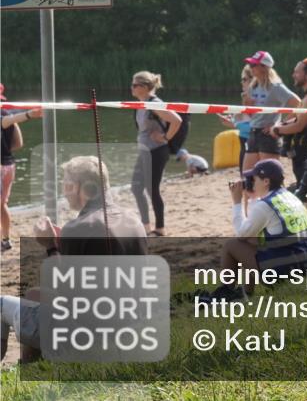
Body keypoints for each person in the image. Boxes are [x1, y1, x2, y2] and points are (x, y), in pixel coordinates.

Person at [0, 156, 147, 361]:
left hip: (91, 337)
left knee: (1, 305)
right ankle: (30, 368)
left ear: (79, 187)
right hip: (130, 326)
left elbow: (65, 294)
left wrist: (51, 246)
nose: (64, 191)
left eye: (66, 184)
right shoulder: (133, 220)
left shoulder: (78, 228)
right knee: (35, 295)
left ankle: (26, 371)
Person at [200, 159, 307, 303]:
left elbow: (241, 234)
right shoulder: (290, 197)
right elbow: (259, 228)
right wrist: (253, 199)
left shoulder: (265, 205)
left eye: (254, 179)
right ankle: (246, 292)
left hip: (288, 274)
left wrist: (237, 202)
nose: (251, 182)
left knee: (232, 245)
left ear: (265, 181)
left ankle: (227, 291)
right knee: (253, 241)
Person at [270, 58, 307, 228]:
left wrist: (277, 130)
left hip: (306, 150)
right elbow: (297, 118)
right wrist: (280, 125)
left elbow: (299, 125)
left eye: (297, 71)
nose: (293, 75)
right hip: (306, 149)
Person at [130, 72, 182, 236]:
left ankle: (159, 229)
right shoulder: (141, 103)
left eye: (134, 85)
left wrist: (165, 137)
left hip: (157, 151)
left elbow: (177, 120)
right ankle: (145, 227)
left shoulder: (154, 103)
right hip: (145, 151)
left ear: (145, 87)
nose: (131, 88)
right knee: (136, 187)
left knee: (152, 189)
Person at [1, 86, 42, 251]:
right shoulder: (8, 113)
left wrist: (27, 115)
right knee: (2, 204)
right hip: (8, 165)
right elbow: (18, 144)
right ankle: (5, 239)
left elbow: (3, 123)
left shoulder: (7, 116)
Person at [243, 51, 300, 168]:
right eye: (250, 64)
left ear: (264, 67)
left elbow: (299, 104)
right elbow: (250, 116)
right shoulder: (252, 86)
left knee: (270, 178)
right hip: (253, 133)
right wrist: (247, 105)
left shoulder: (276, 87)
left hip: (268, 136)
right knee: (247, 177)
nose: (251, 67)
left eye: (254, 65)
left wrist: (280, 125)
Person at [218, 66, 254, 173]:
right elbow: (244, 122)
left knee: (248, 178)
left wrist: (235, 123)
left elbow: (257, 126)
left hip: (253, 145)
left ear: (253, 80)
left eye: (244, 79)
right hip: (244, 143)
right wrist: (233, 119)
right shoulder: (245, 97)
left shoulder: (257, 99)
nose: (241, 82)